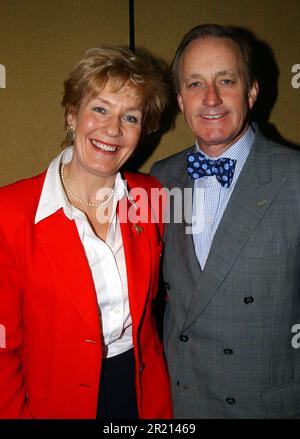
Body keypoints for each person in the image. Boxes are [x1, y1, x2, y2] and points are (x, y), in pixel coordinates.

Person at [0, 46, 172, 419]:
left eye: (130, 117)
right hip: (52, 401)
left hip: (142, 394)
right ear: (72, 114)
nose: (112, 129)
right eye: (100, 109)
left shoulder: (151, 196)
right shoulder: (9, 213)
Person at [151, 23, 300, 418]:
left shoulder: (296, 177)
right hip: (186, 403)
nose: (211, 98)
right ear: (180, 99)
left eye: (226, 80)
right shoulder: (161, 178)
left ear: (251, 91)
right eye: (195, 84)